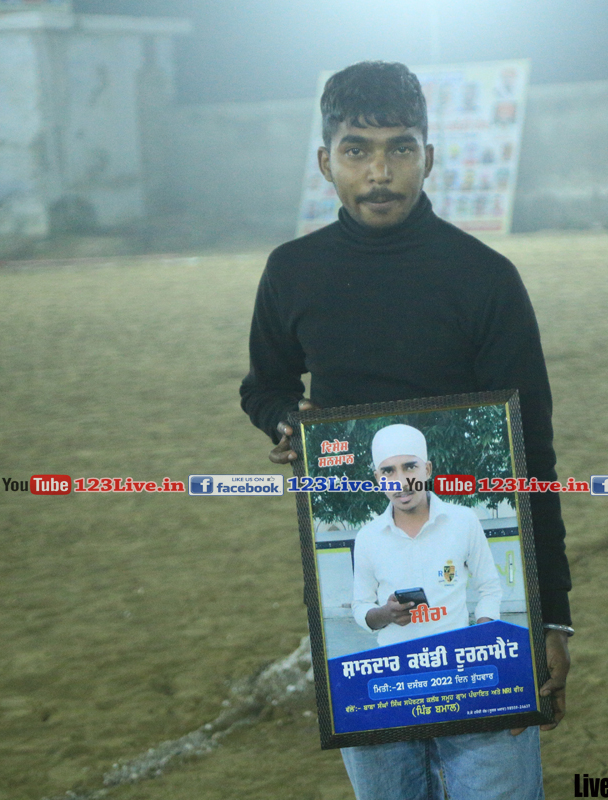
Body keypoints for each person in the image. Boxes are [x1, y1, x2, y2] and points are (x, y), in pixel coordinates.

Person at [240, 60, 572, 800]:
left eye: (401, 148)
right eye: (357, 150)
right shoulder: (292, 272)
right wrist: (288, 422)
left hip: (481, 630)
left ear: (430, 157)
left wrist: (553, 616)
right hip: (365, 632)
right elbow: (263, 386)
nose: (380, 172)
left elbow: (533, 456)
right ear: (326, 162)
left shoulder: (485, 277)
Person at [352, 424, 503, 647]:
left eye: (410, 467)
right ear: (377, 478)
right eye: (388, 471)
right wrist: (386, 614)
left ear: (428, 469)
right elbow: (360, 605)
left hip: (457, 654)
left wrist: (482, 635)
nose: (401, 482)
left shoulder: (463, 521)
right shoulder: (368, 537)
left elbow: (489, 588)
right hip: (397, 661)